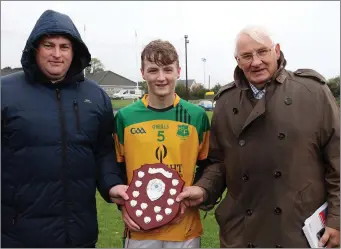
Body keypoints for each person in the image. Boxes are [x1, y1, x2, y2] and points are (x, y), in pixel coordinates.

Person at [176, 26, 340, 248]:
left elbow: (337, 161)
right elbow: (219, 162)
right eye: (246, 56)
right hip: (242, 231)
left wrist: (336, 220)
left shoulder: (313, 92)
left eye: (262, 52)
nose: (256, 62)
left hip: (298, 230)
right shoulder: (226, 102)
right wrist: (204, 188)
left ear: (277, 51)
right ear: (237, 59)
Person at [1, 10, 124, 247]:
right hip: (18, 235)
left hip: (80, 234)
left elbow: (103, 151)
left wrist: (111, 185)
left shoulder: (96, 96)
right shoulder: (5, 92)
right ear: (35, 48)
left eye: (64, 47)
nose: (57, 54)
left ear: (74, 51)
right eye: (49, 45)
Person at [111, 39, 211, 248]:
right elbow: (117, 168)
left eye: (168, 69)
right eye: (153, 70)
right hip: (139, 229)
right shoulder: (125, 117)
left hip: (185, 229)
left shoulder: (196, 116)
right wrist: (123, 206)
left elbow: (209, 165)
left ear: (178, 71)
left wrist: (200, 190)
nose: (161, 77)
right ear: (143, 73)